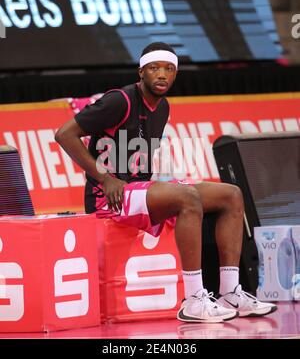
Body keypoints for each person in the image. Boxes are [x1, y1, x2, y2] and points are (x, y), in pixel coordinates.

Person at [55, 42, 277, 323]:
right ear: (141, 72)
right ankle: (195, 299)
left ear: (175, 75)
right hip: (109, 196)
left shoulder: (162, 107)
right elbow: (64, 134)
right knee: (187, 198)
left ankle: (230, 290)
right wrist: (104, 178)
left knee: (230, 195)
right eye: (154, 68)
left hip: (138, 190)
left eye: (169, 69)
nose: (161, 74)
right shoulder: (119, 100)